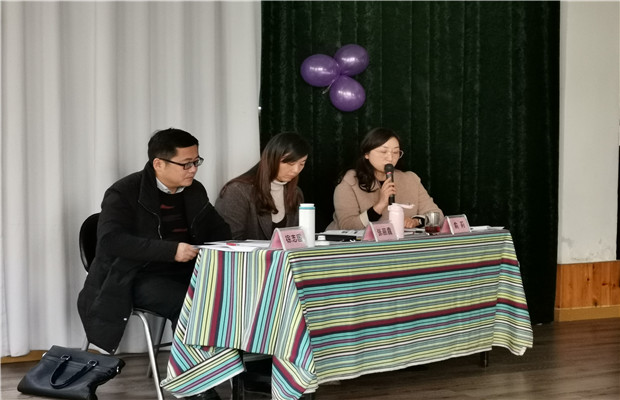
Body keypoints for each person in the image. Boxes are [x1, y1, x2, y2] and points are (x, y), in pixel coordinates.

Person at [77, 129, 230, 400]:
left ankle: (237, 371)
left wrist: (234, 246)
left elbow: (219, 230)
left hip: (182, 270)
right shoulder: (124, 192)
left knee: (234, 291)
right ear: (159, 163)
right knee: (191, 301)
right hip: (132, 275)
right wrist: (171, 251)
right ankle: (196, 386)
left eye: (196, 161)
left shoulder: (194, 190)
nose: (193, 169)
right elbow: (111, 241)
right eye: (186, 164)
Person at [327, 127, 443, 230]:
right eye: (383, 151)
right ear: (366, 154)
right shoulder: (349, 182)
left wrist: (417, 221)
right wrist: (380, 205)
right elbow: (347, 225)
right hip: (353, 245)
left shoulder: (410, 179)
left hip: (399, 244)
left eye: (395, 152)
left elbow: (437, 215)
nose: (390, 157)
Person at [215, 132, 310, 240]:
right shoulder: (237, 191)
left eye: (302, 164)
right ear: (272, 158)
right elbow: (229, 241)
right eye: (290, 163)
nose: (296, 170)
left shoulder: (296, 193)